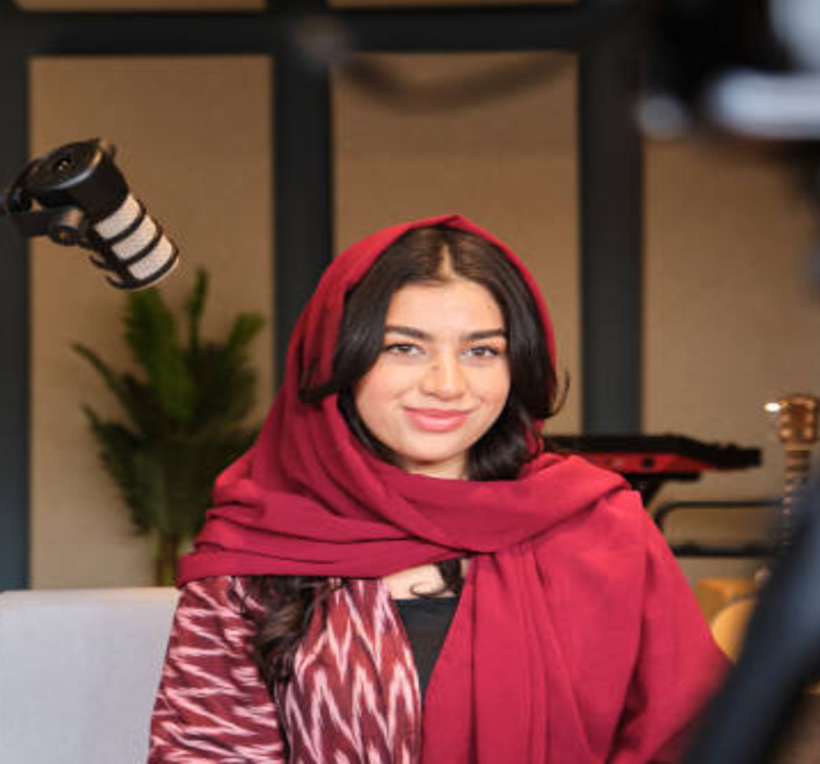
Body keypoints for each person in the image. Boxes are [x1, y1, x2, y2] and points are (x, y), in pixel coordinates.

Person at [149, 215, 726, 763]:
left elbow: (692, 737)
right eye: (404, 347)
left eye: (482, 351)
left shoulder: (600, 525)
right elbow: (209, 751)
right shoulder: (255, 545)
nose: (448, 384)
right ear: (336, 360)